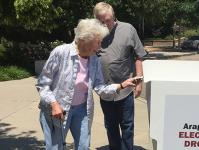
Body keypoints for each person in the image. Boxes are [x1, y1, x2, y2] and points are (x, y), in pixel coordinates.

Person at [36, 18, 136, 150]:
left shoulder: (94, 60)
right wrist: (54, 104)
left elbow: (100, 87)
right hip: (57, 110)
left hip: (82, 110)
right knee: (56, 147)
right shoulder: (61, 52)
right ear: (86, 40)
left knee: (83, 146)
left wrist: (121, 85)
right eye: (98, 42)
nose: (100, 46)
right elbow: (43, 84)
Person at [93, 2, 147, 150]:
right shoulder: (94, 34)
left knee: (127, 126)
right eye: (102, 21)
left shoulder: (128, 29)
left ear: (114, 15)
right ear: (96, 20)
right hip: (105, 91)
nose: (106, 24)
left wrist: (139, 82)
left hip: (126, 90)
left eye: (108, 20)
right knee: (110, 126)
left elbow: (138, 56)